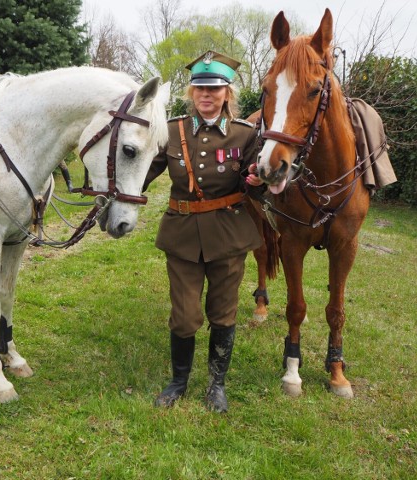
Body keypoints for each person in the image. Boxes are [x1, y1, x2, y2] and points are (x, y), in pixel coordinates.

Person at [144, 50, 264, 412]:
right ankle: (179, 381)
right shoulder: (171, 131)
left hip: (228, 235)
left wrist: (259, 181)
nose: (206, 95)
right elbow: (144, 172)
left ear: (227, 92)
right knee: (184, 315)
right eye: (199, 89)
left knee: (223, 312)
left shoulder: (245, 135)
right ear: (191, 93)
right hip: (181, 235)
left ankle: (216, 385)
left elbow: (259, 187)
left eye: (214, 88)